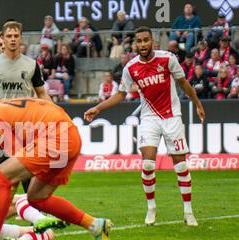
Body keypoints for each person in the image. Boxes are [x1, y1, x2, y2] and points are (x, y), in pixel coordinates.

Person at [0, 81, 113, 240]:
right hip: (70, 136)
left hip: (56, 138)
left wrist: (2, 198)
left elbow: (13, 166)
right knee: (37, 196)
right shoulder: (0, 106)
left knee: (0, 177)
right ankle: (96, 225)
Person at [84, 27, 205, 227]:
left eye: (145, 40)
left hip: (172, 117)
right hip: (149, 119)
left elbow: (183, 84)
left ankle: (188, 212)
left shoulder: (167, 59)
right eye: (138, 41)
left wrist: (198, 105)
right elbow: (121, 94)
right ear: (135, 44)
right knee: (148, 165)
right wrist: (98, 108)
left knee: (181, 166)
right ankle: (151, 209)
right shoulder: (130, 68)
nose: (142, 45)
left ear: (152, 41)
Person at [0, 21, 52, 192]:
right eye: (9, 36)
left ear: (21, 39)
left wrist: (54, 113)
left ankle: (35, 216)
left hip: (26, 125)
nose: (12, 39)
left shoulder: (31, 64)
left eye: (16, 36)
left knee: (27, 174)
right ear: (3, 39)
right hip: (1, 126)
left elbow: (41, 93)